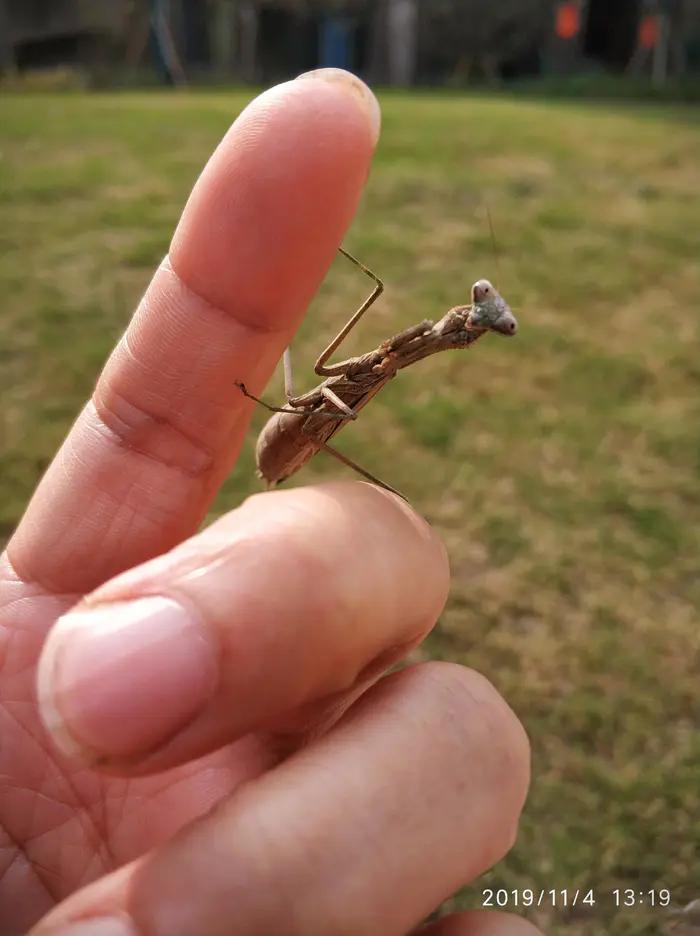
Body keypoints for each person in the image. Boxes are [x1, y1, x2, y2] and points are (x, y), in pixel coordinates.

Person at [0, 69, 538, 936]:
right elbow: (364, 365)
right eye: (474, 310)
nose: (467, 315)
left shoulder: (405, 357)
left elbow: (353, 383)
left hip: (299, 426)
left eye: (475, 321)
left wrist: (294, 412)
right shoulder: (412, 340)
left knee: (338, 392)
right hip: (297, 417)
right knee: (338, 382)